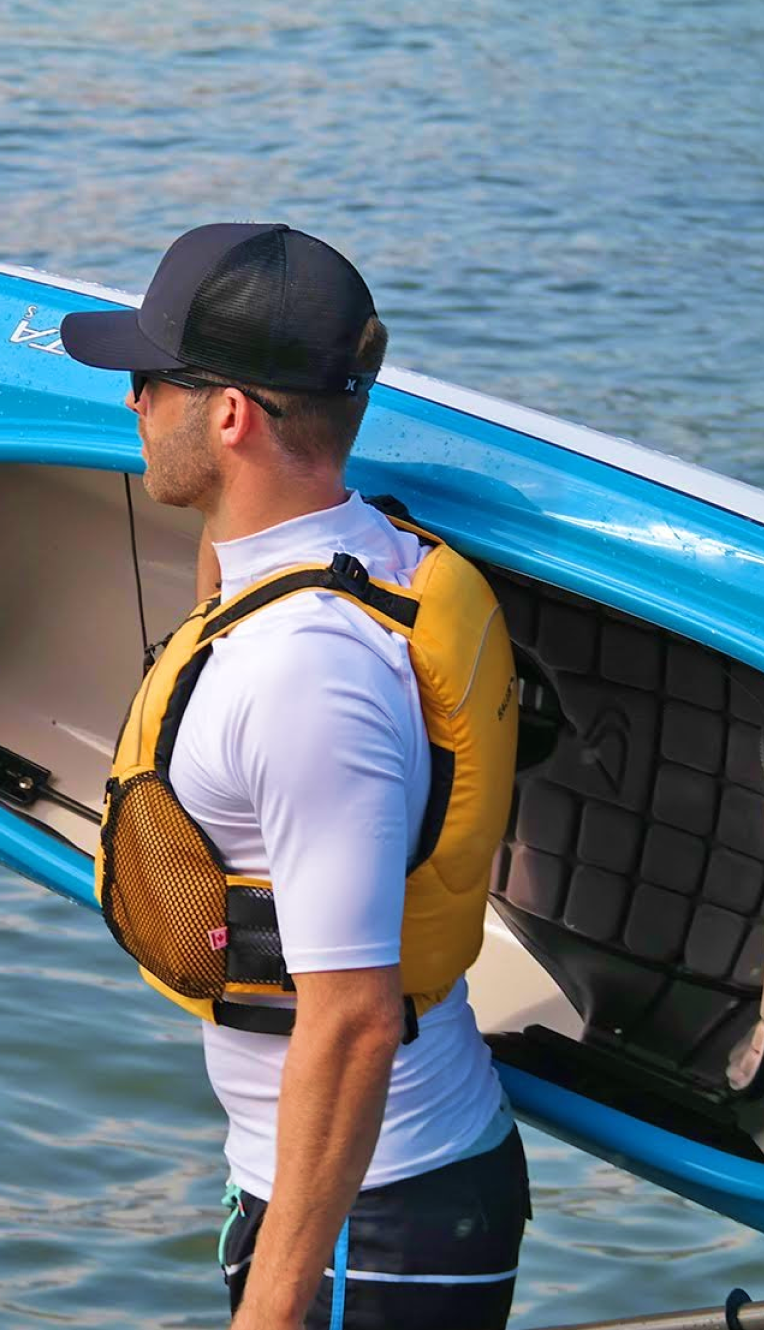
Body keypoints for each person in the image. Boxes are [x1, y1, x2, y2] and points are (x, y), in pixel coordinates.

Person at [60, 224, 529, 1330]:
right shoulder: (350, 553)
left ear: (228, 415)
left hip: (371, 1222)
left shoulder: (306, 675)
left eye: (149, 380)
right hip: (341, 1191)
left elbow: (354, 1020)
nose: (132, 405)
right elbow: (232, 589)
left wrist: (270, 1309)